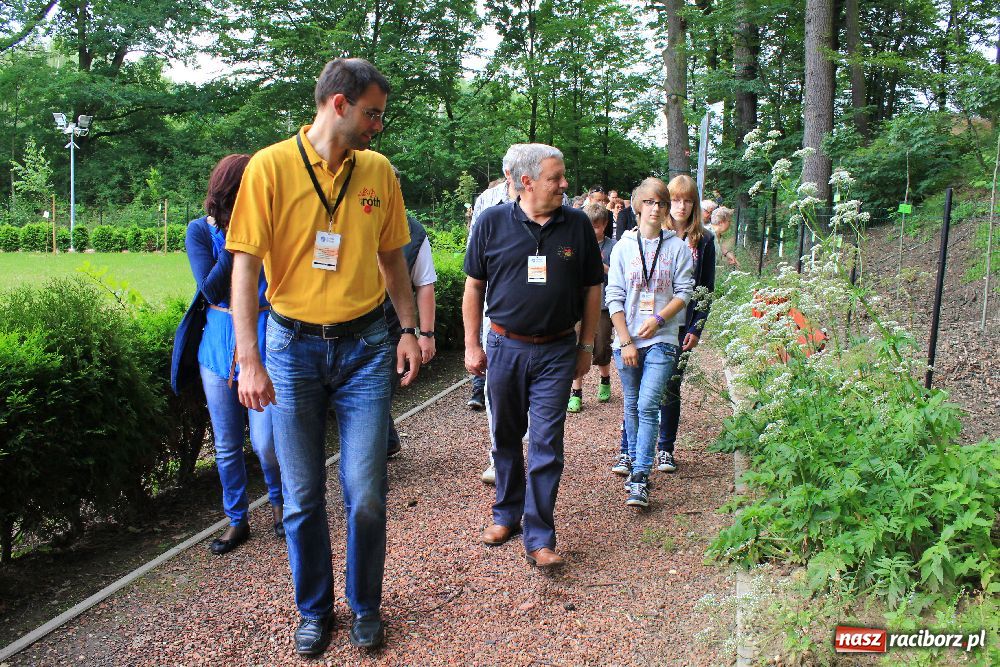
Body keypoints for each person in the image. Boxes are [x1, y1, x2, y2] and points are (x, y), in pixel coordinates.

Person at [227, 58, 421, 656]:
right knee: (303, 495)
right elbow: (246, 268)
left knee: (365, 493)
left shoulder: (378, 173)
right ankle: (313, 610)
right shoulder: (270, 168)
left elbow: (394, 259)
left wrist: (409, 329)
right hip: (291, 350)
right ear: (338, 105)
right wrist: (250, 359)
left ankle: (365, 606)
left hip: (365, 348)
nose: (377, 126)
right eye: (372, 113)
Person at [463, 143, 604, 568]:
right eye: (555, 178)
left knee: (546, 443)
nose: (564, 184)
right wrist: (472, 344)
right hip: (504, 347)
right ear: (526, 182)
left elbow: (591, 289)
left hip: (558, 351)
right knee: (505, 437)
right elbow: (473, 287)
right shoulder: (490, 223)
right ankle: (506, 514)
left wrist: (585, 346)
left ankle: (539, 535)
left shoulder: (577, 225)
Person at [175, 154, 285, 556]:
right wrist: (238, 239)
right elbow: (212, 290)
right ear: (232, 192)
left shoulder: (273, 225)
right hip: (218, 346)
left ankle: (279, 506)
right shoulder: (199, 232)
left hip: (266, 336)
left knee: (266, 440)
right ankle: (237, 519)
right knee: (225, 443)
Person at [606, 177, 694, 507]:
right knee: (631, 403)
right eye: (649, 202)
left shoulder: (677, 247)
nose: (655, 209)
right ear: (636, 206)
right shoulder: (623, 248)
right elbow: (613, 296)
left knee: (647, 404)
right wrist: (625, 340)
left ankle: (640, 476)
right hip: (627, 340)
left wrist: (658, 319)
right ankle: (631, 455)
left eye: (661, 203)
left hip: (663, 338)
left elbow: (684, 292)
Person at [654, 175, 716, 473]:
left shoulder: (704, 240)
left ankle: (665, 448)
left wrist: (697, 328)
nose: (681, 205)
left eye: (687, 200)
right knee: (643, 383)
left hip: (683, 325)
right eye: (676, 199)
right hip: (652, 321)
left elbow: (706, 288)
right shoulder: (655, 234)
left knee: (671, 385)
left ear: (695, 204)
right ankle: (631, 449)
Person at [384, 165, 437, 459]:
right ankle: (386, 439)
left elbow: (425, 284)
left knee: (378, 392)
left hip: (391, 328)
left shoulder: (413, 231)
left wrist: (425, 334)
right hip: (346, 325)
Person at [567, 203, 615, 413]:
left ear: (604, 225)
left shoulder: (614, 246)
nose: (592, 230)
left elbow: (619, 274)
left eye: (596, 226)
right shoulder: (576, 244)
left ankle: (605, 378)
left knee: (602, 346)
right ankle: (576, 392)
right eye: (589, 226)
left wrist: (599, 264)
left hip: (604, 304)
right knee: (577, 345)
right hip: (579, 304)